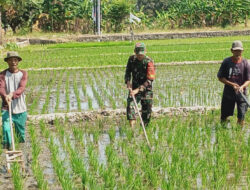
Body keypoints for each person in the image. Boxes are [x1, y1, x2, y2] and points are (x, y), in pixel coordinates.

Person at [217, 40, 250, 127]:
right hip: (229, 93)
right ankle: (223, 132)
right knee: (224, 116)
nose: (237, 52)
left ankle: (238, 136)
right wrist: (232, 85)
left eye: (239, 50)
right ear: (231, 50)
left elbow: (248, 80)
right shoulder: (226, 62)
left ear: (242, 51)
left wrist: (242, 86)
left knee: (241, 116)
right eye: (235, 50)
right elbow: (220, 77)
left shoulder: (245, 63)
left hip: (242, 94)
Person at [0, 52, 28, 150]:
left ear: (18, 61)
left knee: (20, 133)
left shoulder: (23, 73)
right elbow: (1, 88)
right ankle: (9, 149)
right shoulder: (3, 74)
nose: (13, 62)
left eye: (15, 60)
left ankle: (20, 149)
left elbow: (21, 88)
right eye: (10, 60)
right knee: (6, 129)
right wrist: (5, 95)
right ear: (7, 61)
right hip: (6, 107)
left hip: (20, 107)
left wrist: (12, 95)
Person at [125, 42, 155, 127]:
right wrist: (128, 82)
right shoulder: (131, 59)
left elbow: (150, 80)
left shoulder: (149, 62)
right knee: (130, 106)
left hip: (146, 90)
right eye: (138, 54)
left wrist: (137, 90)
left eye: (141, 54)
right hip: (134, 88)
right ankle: (132, 130)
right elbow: (127, 72)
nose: (139, 56)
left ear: (145, 51)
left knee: (146, 112)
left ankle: (144, 129)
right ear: (135, 52)